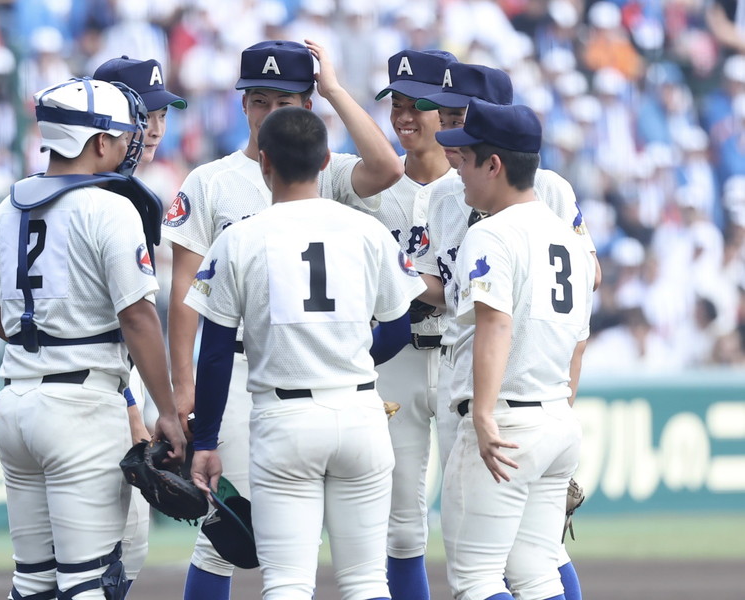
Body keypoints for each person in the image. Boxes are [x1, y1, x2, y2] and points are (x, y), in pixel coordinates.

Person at [162, 39, 403, 600]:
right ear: (243, 104)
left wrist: (337, 90)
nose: (270, 113)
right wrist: (184, 388)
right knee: (221, 535)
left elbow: (388, 167)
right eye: (260, 100)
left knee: (267, 560)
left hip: (290, 383)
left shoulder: (329, 171)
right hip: (249, 376)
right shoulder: (211, 180)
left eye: (287, 101)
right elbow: (182, 294)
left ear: (309, 106)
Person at [0, 76, 186, 600]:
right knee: (88, 582)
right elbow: (140, 319)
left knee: (33, 582)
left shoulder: (5, 211)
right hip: (81, 408)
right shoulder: (110, 207)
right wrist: (166, 409)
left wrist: (51, 334)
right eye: (120, 136)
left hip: (16, 402)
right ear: (97, 142)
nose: (129, 143)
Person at [414, 62, 594, 600]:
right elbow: (579, 340)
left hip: (504, 420)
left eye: (466, 158)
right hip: (555, 417)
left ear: (495, 164)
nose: (457, 169)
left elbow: (494, 324)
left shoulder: (491, 234)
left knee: (476, 579)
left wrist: (487, 415)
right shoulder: (571, 241)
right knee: (537, 571)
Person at [92, 55, 188, 595]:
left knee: (118, 554)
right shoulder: (101, 198)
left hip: (99, 384)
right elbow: (119, 317)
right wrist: (133, 406)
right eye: (142, 112)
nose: (154, 126)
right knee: (104, 560)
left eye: (160, 113)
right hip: (91, 391)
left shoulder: (125, 193)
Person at [368, 47, 458, 600]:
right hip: (395, 360)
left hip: (457, 355)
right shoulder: (371, 187)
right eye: (396, 103)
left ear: (446, 110)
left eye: (416, 104)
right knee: (401, 524)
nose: (403, 116)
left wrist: (405, 282)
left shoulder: (476, 183)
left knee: (477, 520)